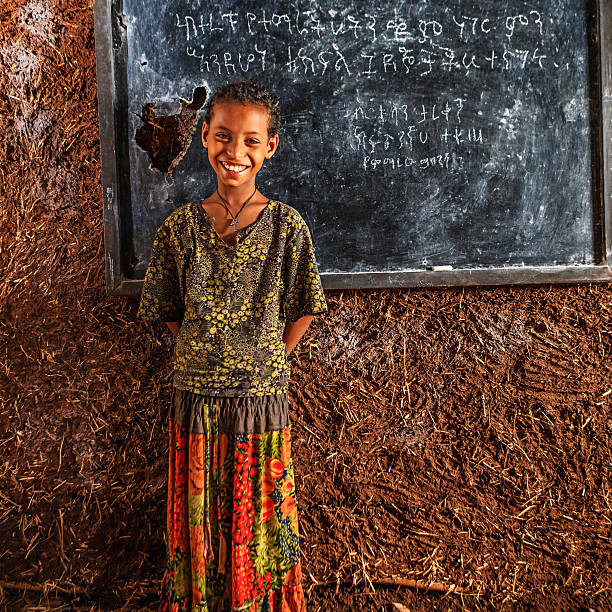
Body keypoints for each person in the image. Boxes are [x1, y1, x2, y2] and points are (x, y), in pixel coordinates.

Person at [137, 78, 327, 612]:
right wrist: (204, 349)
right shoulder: (178, 230)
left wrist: (267, 357)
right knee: (200, 521)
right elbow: (165, 311)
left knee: (261, 525)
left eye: (249, 141)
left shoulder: (289, 228)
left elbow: (306, 307)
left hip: (260, 404)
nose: (234, 152)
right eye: (223, 136)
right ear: (203, 137)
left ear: (269, 147)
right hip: (194, 402)